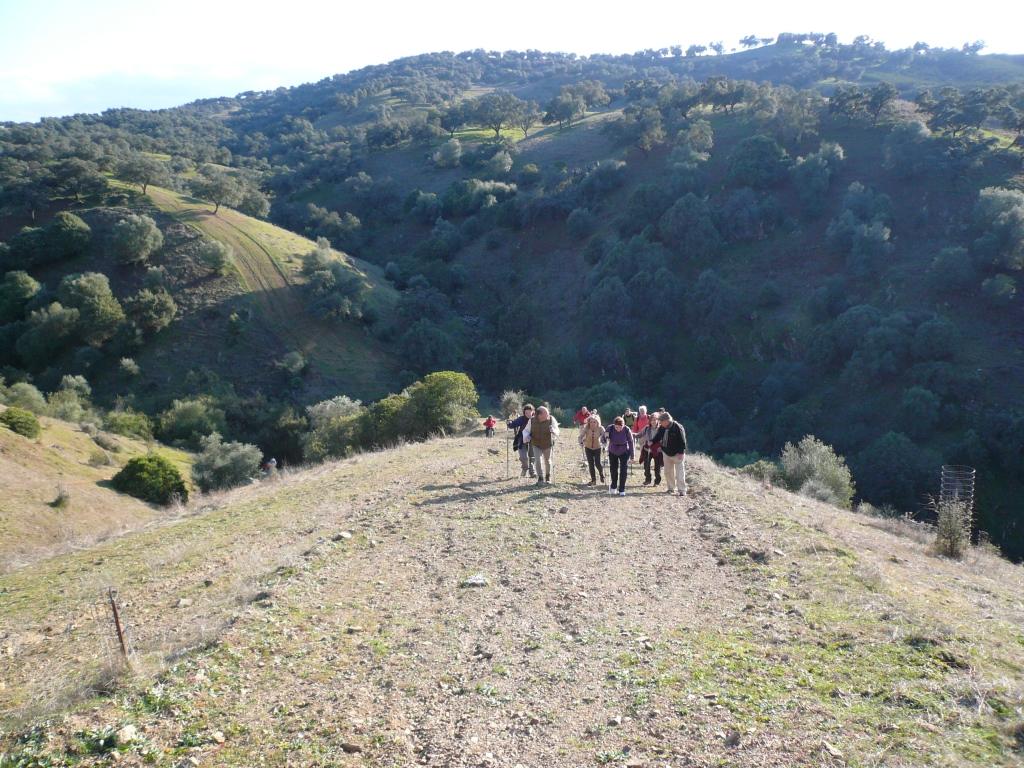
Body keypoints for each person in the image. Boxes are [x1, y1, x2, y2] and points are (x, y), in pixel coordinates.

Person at [652, 411, 688, 496]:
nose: (660, 423)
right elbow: (658, 436)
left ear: (667, 421)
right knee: (668, 472)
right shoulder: (662, 428)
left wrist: (681, 452)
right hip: (666, 453)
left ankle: (682, 490)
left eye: (661, 422)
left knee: (680, 472)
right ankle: (671, 488)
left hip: (677, 454)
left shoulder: (678, 427)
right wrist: (652, 441)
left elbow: (683, 441)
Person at [523, 405, 559, 484]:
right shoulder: (532, 420)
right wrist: (526, 437)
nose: (548, 415)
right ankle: (540, 477)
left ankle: (548, 476)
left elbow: (557, 430)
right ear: (539, 415)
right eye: (546, 414)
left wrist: (553, 431)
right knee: (538, 461)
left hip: (547, 444)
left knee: (547, 461)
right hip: (536, 444)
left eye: (548, 413)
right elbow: (526, 430)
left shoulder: (551, 419)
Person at [605, 416, 635, 496]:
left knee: (623, 470)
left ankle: (622, 489)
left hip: (624, 451)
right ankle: (614, 486)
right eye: (616, 427)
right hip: (612, 450)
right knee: (613, 469)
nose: (618, 429)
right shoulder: (610, 428)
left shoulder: (627, 429)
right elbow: (604, 437)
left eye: (620, 427)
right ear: (614, 425)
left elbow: (631, 442)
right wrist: (605, 439)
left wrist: (632, 456)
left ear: (623, 425)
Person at [634, 411, 663, 486]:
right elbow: (639, 435)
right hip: (647, 449)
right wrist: (631, 434)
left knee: (657, 467)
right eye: (652, 420)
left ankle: (657, 482)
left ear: (658, 420)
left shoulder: (661, 429)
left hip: (657, 450)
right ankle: (648, 479)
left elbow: (664, 439)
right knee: (646, 465)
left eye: (655, 420)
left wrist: (661, 447)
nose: (653, 421)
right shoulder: (647, 428)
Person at [507, 404, 536, 478]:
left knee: (532, 456)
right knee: (523, 457)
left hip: (533, 440)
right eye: (526, 413)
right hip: (521, 440)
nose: (528, 414)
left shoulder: (536, 419)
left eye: (530, 412)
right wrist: (509, 423)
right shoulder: (521, 419)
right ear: (524, 413)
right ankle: (524, 468)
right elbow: (513, 424)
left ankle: (532, 472)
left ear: (533, 412)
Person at [578, 413, 606, 486]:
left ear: (597, 422)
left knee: (597, 463)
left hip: (597, 448)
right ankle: (593, 480)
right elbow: (580, 436)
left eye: (594, 422)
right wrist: (580, 441)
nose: (592, 423)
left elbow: (605, 436)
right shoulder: (586, 428)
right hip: (588, 448)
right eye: (591, 422)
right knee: (591, 464)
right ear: (589, 422)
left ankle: (601, 474)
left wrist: (604, 441)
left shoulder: (601, 428)